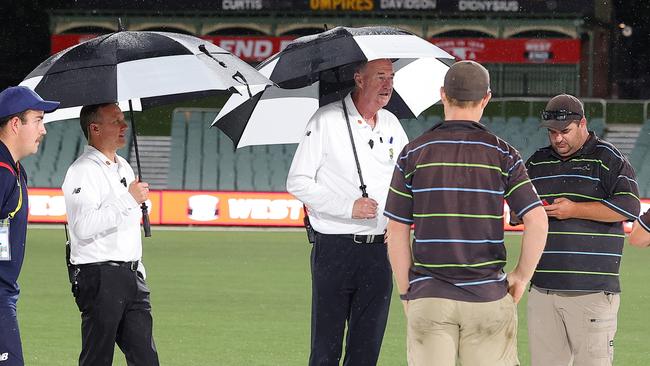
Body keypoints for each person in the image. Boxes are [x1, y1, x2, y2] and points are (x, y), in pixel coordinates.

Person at [384, 60, 548, 366]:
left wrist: (407, 292)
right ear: (486, 98)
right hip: (486, 295)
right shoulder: (502, 153)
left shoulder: (413, 153)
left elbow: (396, 231)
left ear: (443, 95)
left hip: (429, 295)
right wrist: (521, 277)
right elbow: (537, 220)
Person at [286, 59, 409, 366]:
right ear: (359, 79)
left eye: (391, 77)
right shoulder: (325, 120)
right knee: (326, 348)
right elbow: (297, 181)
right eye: (380, 77)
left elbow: (409, 179)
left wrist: (404, 218)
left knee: (367, 349)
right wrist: (348, 207)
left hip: (381, 251)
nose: (388, 84)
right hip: (335, 249)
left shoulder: (392, 124)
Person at [522, 94, 640, 366]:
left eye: (564, 131)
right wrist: (525, 212)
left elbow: (630, 206)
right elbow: (518, 209)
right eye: (552, 132)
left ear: (583, 122)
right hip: (542, 291)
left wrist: (574, 209)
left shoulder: (607, 158)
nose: (557, 139)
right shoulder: (538, 162)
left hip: (592, 293)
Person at [62, 103, 159, 366]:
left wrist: (140, 205)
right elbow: (82, 226)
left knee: (146, 358)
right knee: (98, 358)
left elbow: (124, 215)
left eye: (123, 118)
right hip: (99, 276)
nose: (124, 125)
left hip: (131, 275)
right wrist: (129, 200)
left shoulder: (123, 166)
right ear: (95, 128)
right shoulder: (82, 170)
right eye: (115, 120)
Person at [0, 86, 58, 366]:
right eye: (38, 120)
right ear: (14, 124)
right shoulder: (1, 172)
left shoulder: (14, 168)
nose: (43, 129)